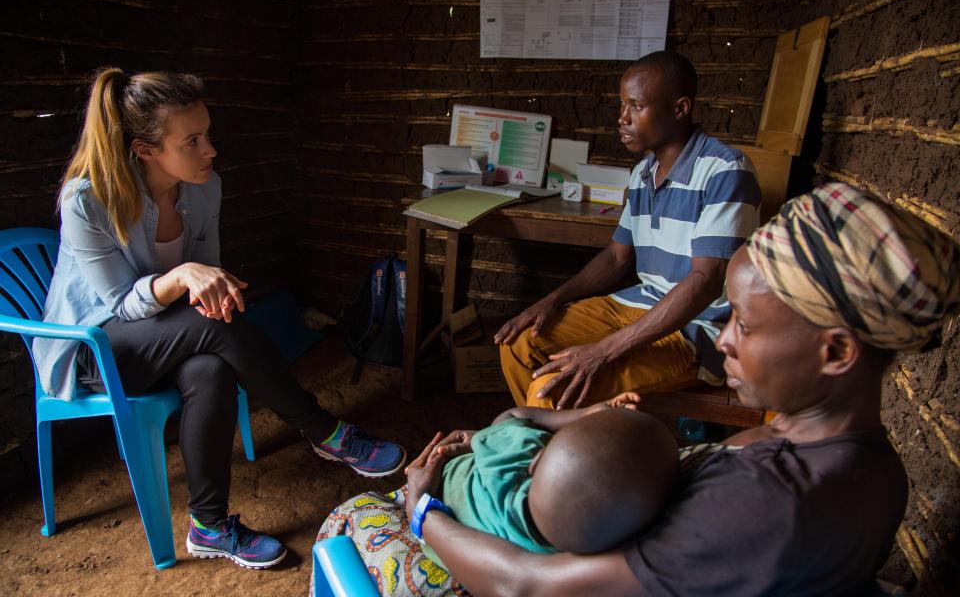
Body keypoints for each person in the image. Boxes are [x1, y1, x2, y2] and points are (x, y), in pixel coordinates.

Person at [334, 182, 960, 596]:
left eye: (743, 322)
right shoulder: (872, 467)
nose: (726, 341)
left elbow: (530, 585)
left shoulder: (764, 506)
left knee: (351, 520)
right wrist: (538, 425)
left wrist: (422, 509)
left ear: (836, 351)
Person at [37, 68, 407, 569]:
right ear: (145, 150)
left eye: (207, 134)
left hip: (176, 334)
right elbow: (122, 305)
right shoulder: (87, 200)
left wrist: (205, 286)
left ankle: (209, 527)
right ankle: (323, 430)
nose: (210, 150)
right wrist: (184, 277)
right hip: (98, 351)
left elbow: (207, 273)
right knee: (214, 329)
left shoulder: (205, 189)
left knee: (209, 369)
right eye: (192, 140)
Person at [496, 51, 761, 410]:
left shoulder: (725, 170)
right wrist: (551, 300)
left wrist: (605, 350)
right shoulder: (643, 174)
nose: (622, 119)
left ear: (680, 108)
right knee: (518, 343)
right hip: (640, 304)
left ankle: (561, 457)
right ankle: (550, 451)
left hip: (696, 330)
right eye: (622, 105)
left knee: (552, 387)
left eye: (635, 106)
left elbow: (707, 279)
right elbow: (616, 256)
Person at [316, 394, 677, 593]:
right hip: (447, 532)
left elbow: (512, 414)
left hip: (431, 494)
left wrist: (584, 414)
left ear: (536, 461)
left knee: (351, 511)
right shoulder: (563, 555)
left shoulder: (515, 454)